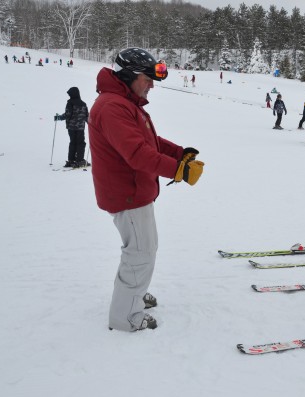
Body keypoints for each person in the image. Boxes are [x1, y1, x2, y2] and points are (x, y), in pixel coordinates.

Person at [88, 47, 204, 332]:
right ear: (128, 76)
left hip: (133, 191)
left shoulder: (123, 104)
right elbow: (138, 153)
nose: (152, 84)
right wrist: (180, 170)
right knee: (140, 253)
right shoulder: (113, 107)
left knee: (139, 250)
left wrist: (179, 153)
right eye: (147, 78)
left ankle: (132, 296)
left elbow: (148, 140)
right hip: (127, 194)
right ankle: (127, 316)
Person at [54, 87, 90, 168]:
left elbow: (67, 114)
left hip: (71, 127)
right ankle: (79, 160)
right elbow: (86, 116)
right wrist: (91, 124)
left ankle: (71, 160)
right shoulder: (83, 104)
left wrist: (59, 117)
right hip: (80, 128)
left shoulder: (70, 103)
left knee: (73, 142)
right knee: (80, 143)